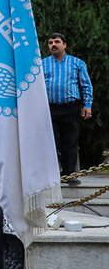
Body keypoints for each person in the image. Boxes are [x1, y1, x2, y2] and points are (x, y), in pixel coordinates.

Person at [42, 33, 93, 185]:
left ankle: (69, 174)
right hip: (49, 108)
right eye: (50, 42)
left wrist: (87, 105)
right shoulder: (42, 64)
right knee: (49, 142)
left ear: (64, 45)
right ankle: (49, 175)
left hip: (70, 107)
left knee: (70, 141)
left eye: (57, 42)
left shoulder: (77, 63)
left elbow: (86, 85)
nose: (53, 45)